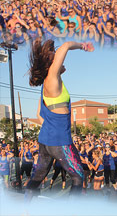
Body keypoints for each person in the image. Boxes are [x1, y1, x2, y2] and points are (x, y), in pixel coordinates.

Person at [26, 39, 94, 199]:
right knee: (78, 176)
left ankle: (24, 209)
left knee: (37, 177)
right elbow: (66, 46)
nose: (60, 61)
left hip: (45, 140)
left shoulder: (46, 84)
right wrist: (84, 46)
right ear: (52, 64)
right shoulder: (51, 78)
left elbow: (39, 114)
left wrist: (51, 129)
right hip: (60, 141)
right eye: (56, 58)